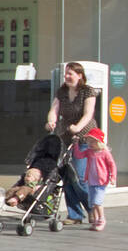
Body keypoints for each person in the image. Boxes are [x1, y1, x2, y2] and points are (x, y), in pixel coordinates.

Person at [46, 62, 97, 225]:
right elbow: (54, 109)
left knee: (79, 177)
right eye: (66, 74)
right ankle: (75, 215)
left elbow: (88, 114)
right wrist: (51, 122)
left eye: (71, 74)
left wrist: (77, 128)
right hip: (66, 135)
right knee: (67, 176)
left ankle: (92, 209)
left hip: (85, 136)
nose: (67, 77)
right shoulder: (62, 91)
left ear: (80, 75)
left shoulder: (87, 91)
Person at [72, 128, 117, 231]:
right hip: (91, 181)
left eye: (92, 141)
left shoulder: (105, 153)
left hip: (101, 182)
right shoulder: (89, 152)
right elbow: (78, 155)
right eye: (89, 141)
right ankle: (96, 221)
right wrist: (76, 145)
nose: (90, 144)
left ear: (99, 142)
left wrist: (112, 177)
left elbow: (112, 165)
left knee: (97, 202)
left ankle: (102, 220)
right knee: (92, 203)